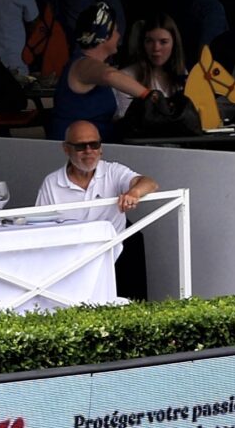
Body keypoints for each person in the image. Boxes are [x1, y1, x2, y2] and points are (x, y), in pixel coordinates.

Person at [34, 121, 161, 300]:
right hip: (71, 263)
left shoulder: (112, 171)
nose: (89, 151)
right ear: (66, 149)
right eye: (81, 146)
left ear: (101, 148)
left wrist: (134, 192)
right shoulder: (52, 183)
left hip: (114, 255)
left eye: (94, 144)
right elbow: (40, 230)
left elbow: (150, 183)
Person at [51, 1, 151, 141]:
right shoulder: (82, 64)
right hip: (77, 146)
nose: (119, 36)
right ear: (104, 36)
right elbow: (109, 75)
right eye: (115, 31)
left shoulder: (87, 64)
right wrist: (149, 95)